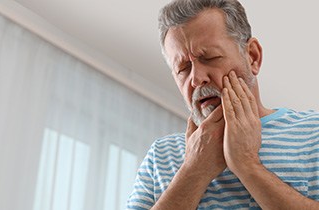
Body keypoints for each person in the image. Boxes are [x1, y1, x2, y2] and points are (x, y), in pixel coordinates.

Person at [126, 0, 319, 209]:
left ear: (253, 57)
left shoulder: (313, 131)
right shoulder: (161, 155)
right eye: (183, 68)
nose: (196, 78)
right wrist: (195, 170)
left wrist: (246, 164)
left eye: (210, 57)